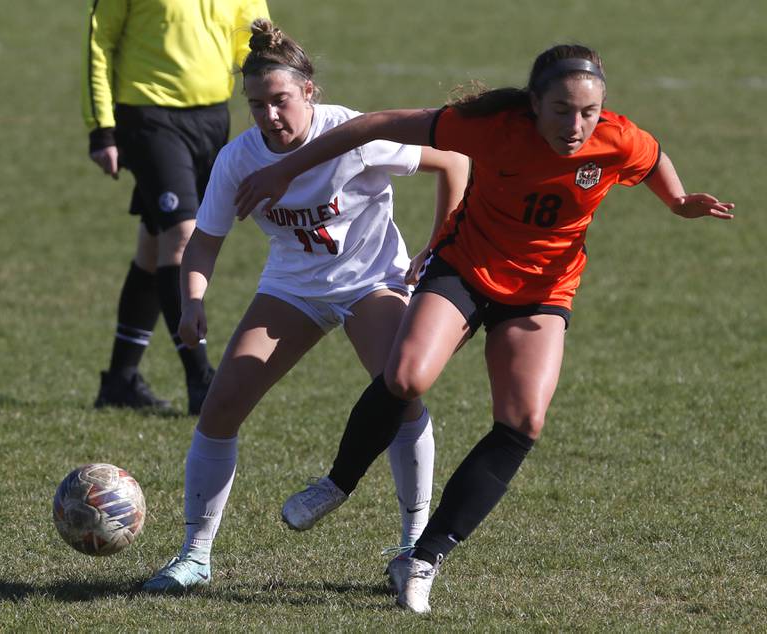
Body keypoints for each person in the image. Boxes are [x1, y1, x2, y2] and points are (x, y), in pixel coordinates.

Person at [234, 44, 735, 613]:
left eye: (588, 113)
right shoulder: (492, 127)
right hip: (466, 269)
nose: (575, 125)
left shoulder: (617, 137)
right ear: (533, 104)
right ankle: (338, 482)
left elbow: (653, 157)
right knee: (405, 376)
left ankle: (421, 558)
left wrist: (676, 200)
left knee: (524, 421)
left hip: (543, 291)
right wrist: (283, 168)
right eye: (561, 110)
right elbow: (371, 125)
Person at [141, 19, 470, 593]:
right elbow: (204, 243)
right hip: (292, 289)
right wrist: (193, 301)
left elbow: (455, 162)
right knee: (220, 408)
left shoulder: (353, 133)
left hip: (373, 282)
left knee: (401, 394)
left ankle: (412, 550)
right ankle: (194, 557)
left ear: (309, 92)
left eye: (281, 101)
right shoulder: (238, 159)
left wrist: (440, 243)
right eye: (256, 104)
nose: (269, 116)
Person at [82, 0, 270, 414]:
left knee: (154, 245)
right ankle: (201, 378)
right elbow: (101, 43)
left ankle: (120, 379)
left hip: (212, 119)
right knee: (184, 237)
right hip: (149, 116)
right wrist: (102, 128)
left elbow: (251, 43)